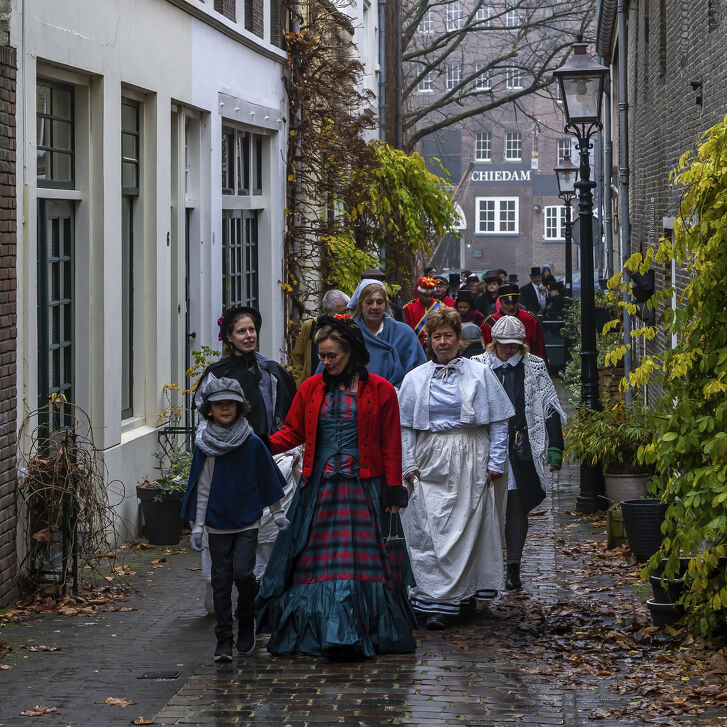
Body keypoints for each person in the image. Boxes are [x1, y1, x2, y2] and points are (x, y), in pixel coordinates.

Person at [257, 314, 416, 658]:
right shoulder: (311, 389)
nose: (325, 363)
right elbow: (293, 432)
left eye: (332, 356)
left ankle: (361, 631)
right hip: (321, 490)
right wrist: (259, 445)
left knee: (365, 562)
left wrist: (392, 489)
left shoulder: (382, 389)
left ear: (352, 352)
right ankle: (321, 631)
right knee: (315, 562)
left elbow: (391, 443)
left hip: (366, 490)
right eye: (322, 357)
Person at [398, 307, 514, 629]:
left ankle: (460, 598)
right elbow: (406, 426)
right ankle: (429, 598)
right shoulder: (415, 379)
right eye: (437, 336)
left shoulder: (479, 374)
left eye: (449, 335)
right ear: (429, 340)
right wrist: (408, 462)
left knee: (466, 529)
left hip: (470, 457)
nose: (443, 342)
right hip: (429, 459)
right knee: (429, 528)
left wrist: (495, 460)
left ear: (459, 339)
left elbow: (499, 420)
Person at [197, 306, 298, 608]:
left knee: (267, 533)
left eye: (252, 329)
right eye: (241, 331)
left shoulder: (272, 372)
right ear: (228, 337)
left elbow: (287, 417)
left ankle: (264, 595)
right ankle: (220, 600)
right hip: (226, 464)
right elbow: (203, 422)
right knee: (224, 534)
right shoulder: (215, 375)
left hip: (267, 459)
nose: (249, 335)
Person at [183, 376, 290, 661]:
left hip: (247, 520)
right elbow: (201, 485)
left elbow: (266, 479)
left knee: (243, 574)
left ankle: (246, 620)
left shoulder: (252, 443)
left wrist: (277, 513)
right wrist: (197, 526)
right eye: (219, 404)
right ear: (209, 409)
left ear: (240, 406)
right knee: (220, 580)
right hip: (217, 521)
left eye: (230, 403)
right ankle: (223, 640)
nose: (225, 409)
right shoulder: (205, 445)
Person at [472, 316, 564, 591]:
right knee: (481, 506)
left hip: (521, 448)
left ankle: (513, 566)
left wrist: (555, 447)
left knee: (516, 505)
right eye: (503, 345)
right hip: (483, 447)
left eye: (513, 346)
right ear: (494, 343)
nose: (508, 350)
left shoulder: (534, 367)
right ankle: (480, 568)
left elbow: (549, 406)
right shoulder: (477, 366)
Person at [346, 279, 425, 388]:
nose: (375, 307)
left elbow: (420, 374)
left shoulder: (404, 333)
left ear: (386, 304)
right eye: (369, 302)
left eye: (379, 302)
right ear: (360, 304)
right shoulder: (348, 333)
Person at [291, 290, 349, 388]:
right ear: (329, 312)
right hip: (312, 388)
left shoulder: (349, 328)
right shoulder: (311, 326)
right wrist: (300, 383)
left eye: (348, 311)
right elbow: (297, 357)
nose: (346, 315)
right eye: (342, 312)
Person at [481, 284, 549, 366]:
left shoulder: (531, 320)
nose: (512, 307)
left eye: (515, 303)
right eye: (507, 303)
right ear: (500, 301)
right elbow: (487, 354)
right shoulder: (489, 323)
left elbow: (539, 350)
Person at [403, 276, 442, 348]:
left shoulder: (441, 307)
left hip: (435, 345)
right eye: (425, 296)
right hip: (415, 344)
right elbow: (405, 330)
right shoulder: (409, 308)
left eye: (431, 296)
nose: (428, 299)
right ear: (420, 294)